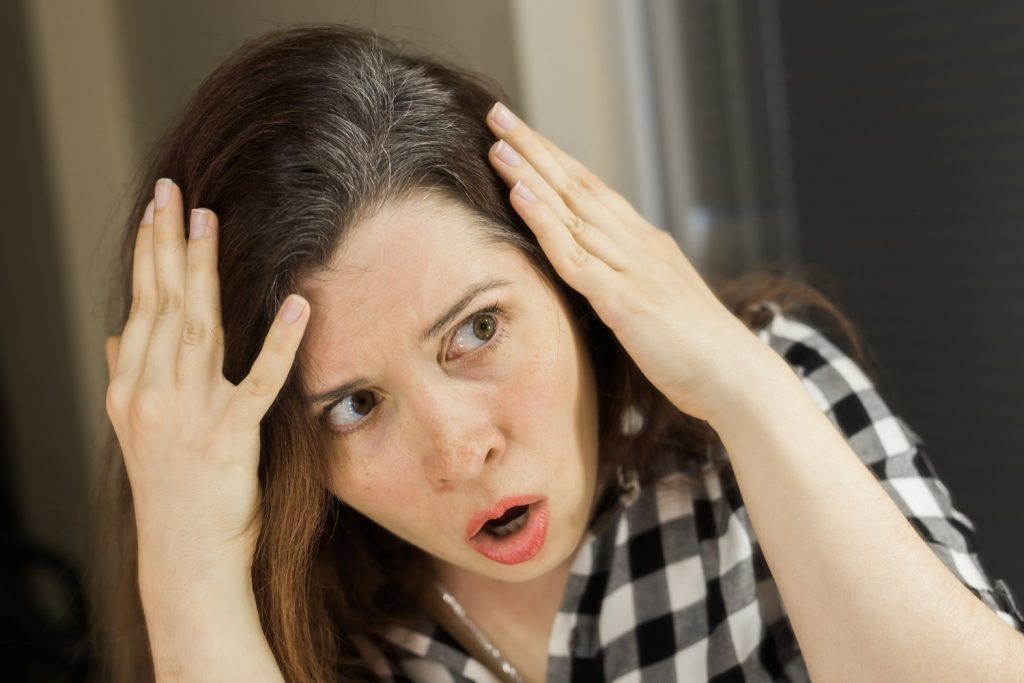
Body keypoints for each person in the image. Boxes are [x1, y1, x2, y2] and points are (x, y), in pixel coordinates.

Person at [94, 23, 1024, 682]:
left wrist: (746, 388)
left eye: (478, 329)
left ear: (570, 279)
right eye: (355, 404)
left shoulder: (770, 393)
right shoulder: (299, 620)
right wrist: (188, 567)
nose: (459, 451)